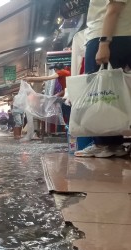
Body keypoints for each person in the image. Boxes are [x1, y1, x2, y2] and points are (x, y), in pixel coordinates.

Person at [74, 0, 131, 158]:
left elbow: (113, 9)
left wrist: (104, 42)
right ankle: (112, 143)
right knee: (115, 93)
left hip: (109, 36)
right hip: (115, 35)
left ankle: (105, 144)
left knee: (101, 92)